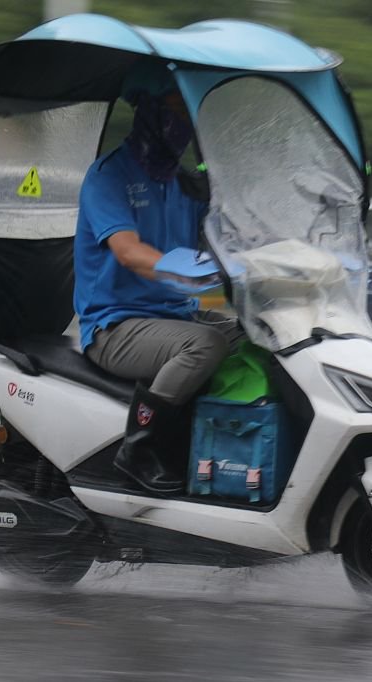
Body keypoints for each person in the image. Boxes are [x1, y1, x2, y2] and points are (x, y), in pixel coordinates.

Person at [73, 60, 232, 494]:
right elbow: (128, 252)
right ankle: (139, 447)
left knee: (264, 338)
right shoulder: (109, 176)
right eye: (177, 110)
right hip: (116, 326)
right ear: (149, 111)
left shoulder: (184, 186)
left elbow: (226, 243)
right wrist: (192, 269)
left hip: (174, 317)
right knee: (205, 345)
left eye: (191, 114)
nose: (186, 124)